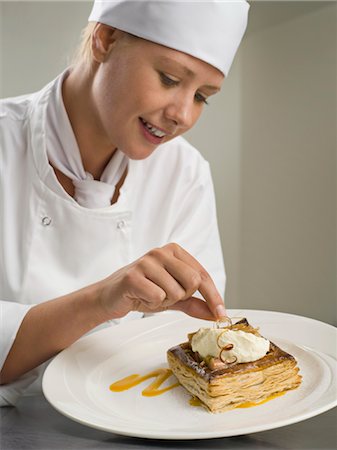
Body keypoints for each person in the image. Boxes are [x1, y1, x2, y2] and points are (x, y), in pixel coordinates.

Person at [0, 0, 249, 406]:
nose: (182, 115)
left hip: (134, 418)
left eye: (203, 96)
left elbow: (187, 343)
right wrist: (102, 301)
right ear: (105, 39)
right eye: (169, 79)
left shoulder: (185, 173)